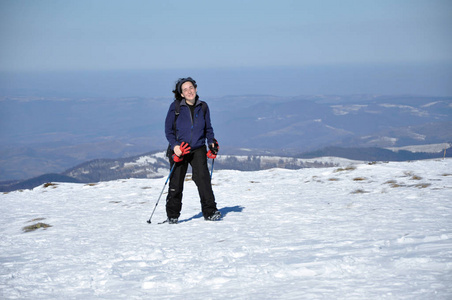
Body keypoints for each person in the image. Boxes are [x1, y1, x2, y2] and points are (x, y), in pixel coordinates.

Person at [164, 77, 221, 224]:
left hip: (198, 148)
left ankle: (210, 212)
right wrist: (175, 146)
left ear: (195, 89)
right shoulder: (175, 107)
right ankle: (172, 215)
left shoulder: (203, 107)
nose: (189, 91)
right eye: (185, 89)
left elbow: (208, 128)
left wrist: (211, 143)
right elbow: (168, 130)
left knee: (203, 180)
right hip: (180, 149)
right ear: (181, 94)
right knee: (176, 183)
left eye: (191, 88)